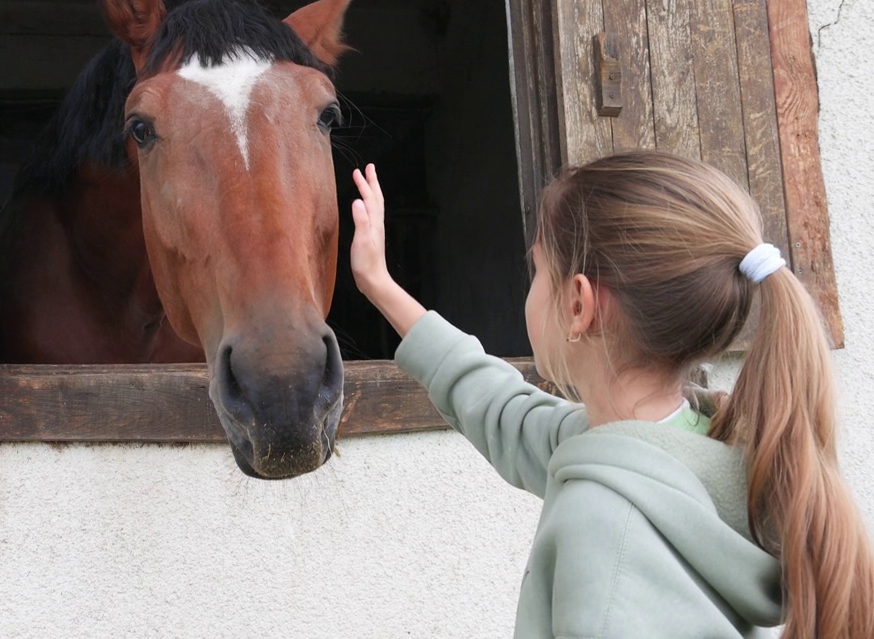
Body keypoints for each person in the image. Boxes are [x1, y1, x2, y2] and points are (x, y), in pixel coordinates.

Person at [348, 152, 874, 638]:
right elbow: (507, 413)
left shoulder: (603, 521)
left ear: (578, 304)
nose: (530, 289)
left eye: (537, 271)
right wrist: (379, 284)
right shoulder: (696, 446)